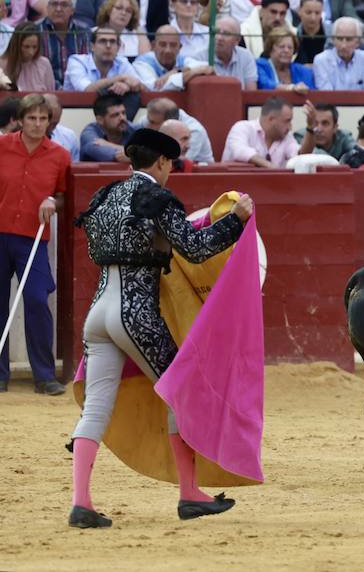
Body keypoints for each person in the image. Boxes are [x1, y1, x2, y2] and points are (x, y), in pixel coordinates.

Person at [67, 125, 253, 528]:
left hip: (98, 312)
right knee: (181, 392)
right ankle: (189, 494)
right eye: (171, 164)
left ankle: (81, 502)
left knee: (97, 407)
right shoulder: (157, 198)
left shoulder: (105, 197)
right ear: (163, 162)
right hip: (136, 314)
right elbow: (195, 247)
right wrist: (235, 221)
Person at [0, 95, 68, 394]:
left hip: (33, 237)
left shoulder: (59, 155)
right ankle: (0, 375)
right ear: (20, 119)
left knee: (38, 301)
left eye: (44, 119)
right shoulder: (1, 146)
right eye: (32, 118)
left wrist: (53, 200)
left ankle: (44, 375)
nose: (38, 124)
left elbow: (63, 195)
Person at [223, 95, 298, 167]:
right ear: (271, 119)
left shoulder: (286, 136)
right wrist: (270, 166)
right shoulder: (242, 127)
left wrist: (309, 130)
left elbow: (298, 155)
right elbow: (239, 151)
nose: (290, 127)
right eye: (286, 121)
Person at [185, 15, 257, 88]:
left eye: (226, 34)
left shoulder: (246, 57)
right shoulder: (198, 58)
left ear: (237, 40)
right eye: (216, 32)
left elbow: (250, 93)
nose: (219, 37)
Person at [313, 16, 364, 90]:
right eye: (339, 39)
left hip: (362, 102)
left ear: (358, 42)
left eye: (349, 39)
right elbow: (326, 95)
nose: (343, 45)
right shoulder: (321, 60)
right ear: (333, 40)